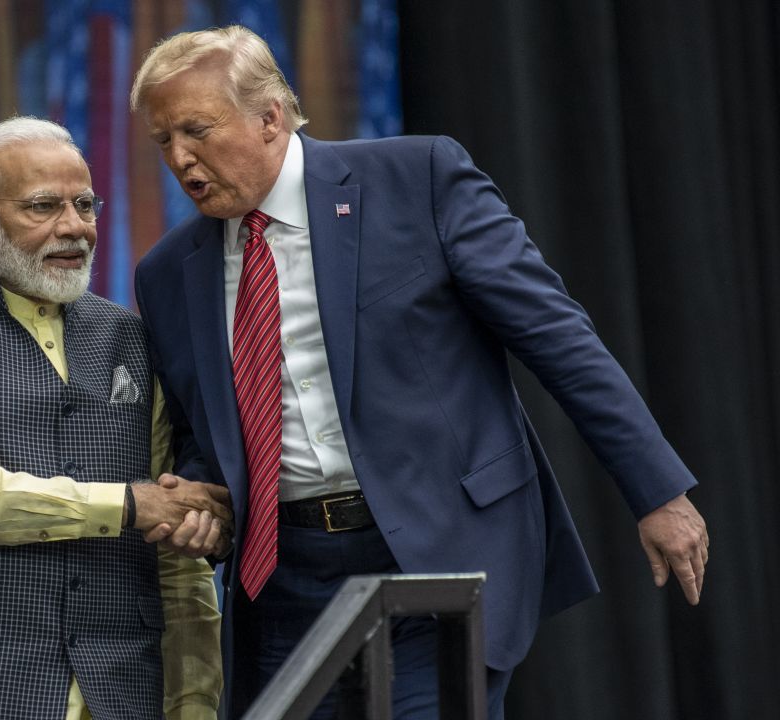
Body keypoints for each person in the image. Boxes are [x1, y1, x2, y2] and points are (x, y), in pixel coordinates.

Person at [128, 25, 709, 720]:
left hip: (436, 557)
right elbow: (206, 435)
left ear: (270, 117)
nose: (180, 157)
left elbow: (558, 337)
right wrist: (202, 503)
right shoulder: (166, 274)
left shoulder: (417, 179)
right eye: (164, 140)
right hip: (284, 586)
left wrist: (658, 492)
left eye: (196, 129)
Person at [0, 116, 231, 720]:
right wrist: (128, 505)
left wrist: (194, 703)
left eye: (85, 204)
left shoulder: (132, 336)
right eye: (42, 206)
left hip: (122, 692)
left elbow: (176, 558)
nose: (74, 228)